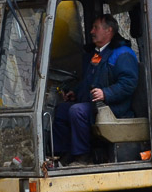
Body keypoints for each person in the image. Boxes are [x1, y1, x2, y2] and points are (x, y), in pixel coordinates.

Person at [52, 14, 139, 166]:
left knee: (77, 111)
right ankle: (65, 153)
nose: (91, 31)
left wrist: (106, 93)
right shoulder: (98, 53)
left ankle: (82, 157)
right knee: (61, 110)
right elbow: (89, 80)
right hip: (95, 103)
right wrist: (76, 93)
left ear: (108, 31)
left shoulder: (122, 54)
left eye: (96, 28)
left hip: (114, 107)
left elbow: (128, 83)